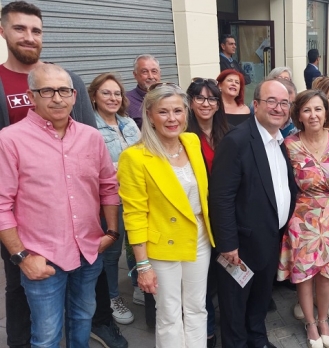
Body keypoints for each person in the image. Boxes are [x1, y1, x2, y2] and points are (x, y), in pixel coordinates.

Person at [0, 3, 125, 348]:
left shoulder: (90, 136)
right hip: (41, 255)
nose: (57, 98)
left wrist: (111, 231)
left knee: (82, 317)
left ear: (76, 95)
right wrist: (21, 256)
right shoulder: (10, 140)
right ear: (31, 96)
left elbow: (108, 186)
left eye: (65, 91)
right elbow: (1, 203)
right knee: (46, 333)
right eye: (47, 92)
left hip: (88, 250)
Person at [118, 83, 215, 347]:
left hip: (199, 237)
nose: (172, 119)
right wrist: (143, 265)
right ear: (149, 114)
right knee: (170, 314)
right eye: (163, 112)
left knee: (197, 307)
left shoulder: (192, 141)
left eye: (177, 111)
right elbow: (134, 214)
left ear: (186, 112)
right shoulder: (135, 157)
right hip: (162, 246)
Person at [209, 79, 297, 348]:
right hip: (240, 245)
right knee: (235, 305)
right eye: (271, 101)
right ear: (256, 104)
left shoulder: (279, 140)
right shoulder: (237, 141)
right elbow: (221, 197)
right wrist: (228, 244)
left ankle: (257, 339)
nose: (278, 108)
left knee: (260, 298)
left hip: (271, 237)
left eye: (284, 103)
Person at [277, 89, 329, 348]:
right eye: (307, 110)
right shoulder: (289, 145)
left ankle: (323, 320)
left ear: (326, 112)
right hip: (302, 218)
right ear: (299, 114)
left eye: (318, 109)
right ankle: (310, 323)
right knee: (305, 273)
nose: (313, 115)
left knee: (328, 274)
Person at [88, 72, 141, 327]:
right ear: (94, 97)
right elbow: (92, 167)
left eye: (117, 93)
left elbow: (143, 155)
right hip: (111, 198)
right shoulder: (89, 128)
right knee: (112, 250)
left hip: (135, 195)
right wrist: (122, 166)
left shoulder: (129, 123)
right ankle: (112, 297)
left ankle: (138, 284)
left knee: (136, 242)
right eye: (106, 93)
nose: (113, 98)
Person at [185, 77, 229, 348]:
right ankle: (208, 331)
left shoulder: (227, 132)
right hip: (199, 218)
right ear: (190, 102)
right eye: (200, 98)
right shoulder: (184, 137)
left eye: (212, 98)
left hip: (224, 216)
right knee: (200, 281)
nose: (206, 103)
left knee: (223, 274)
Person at [126, 54, 161, 128]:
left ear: (159, 74)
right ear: (135, 75)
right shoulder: (126, 101)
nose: (151, 76)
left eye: (154, 71)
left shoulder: (169, 96)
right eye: (145, 72)